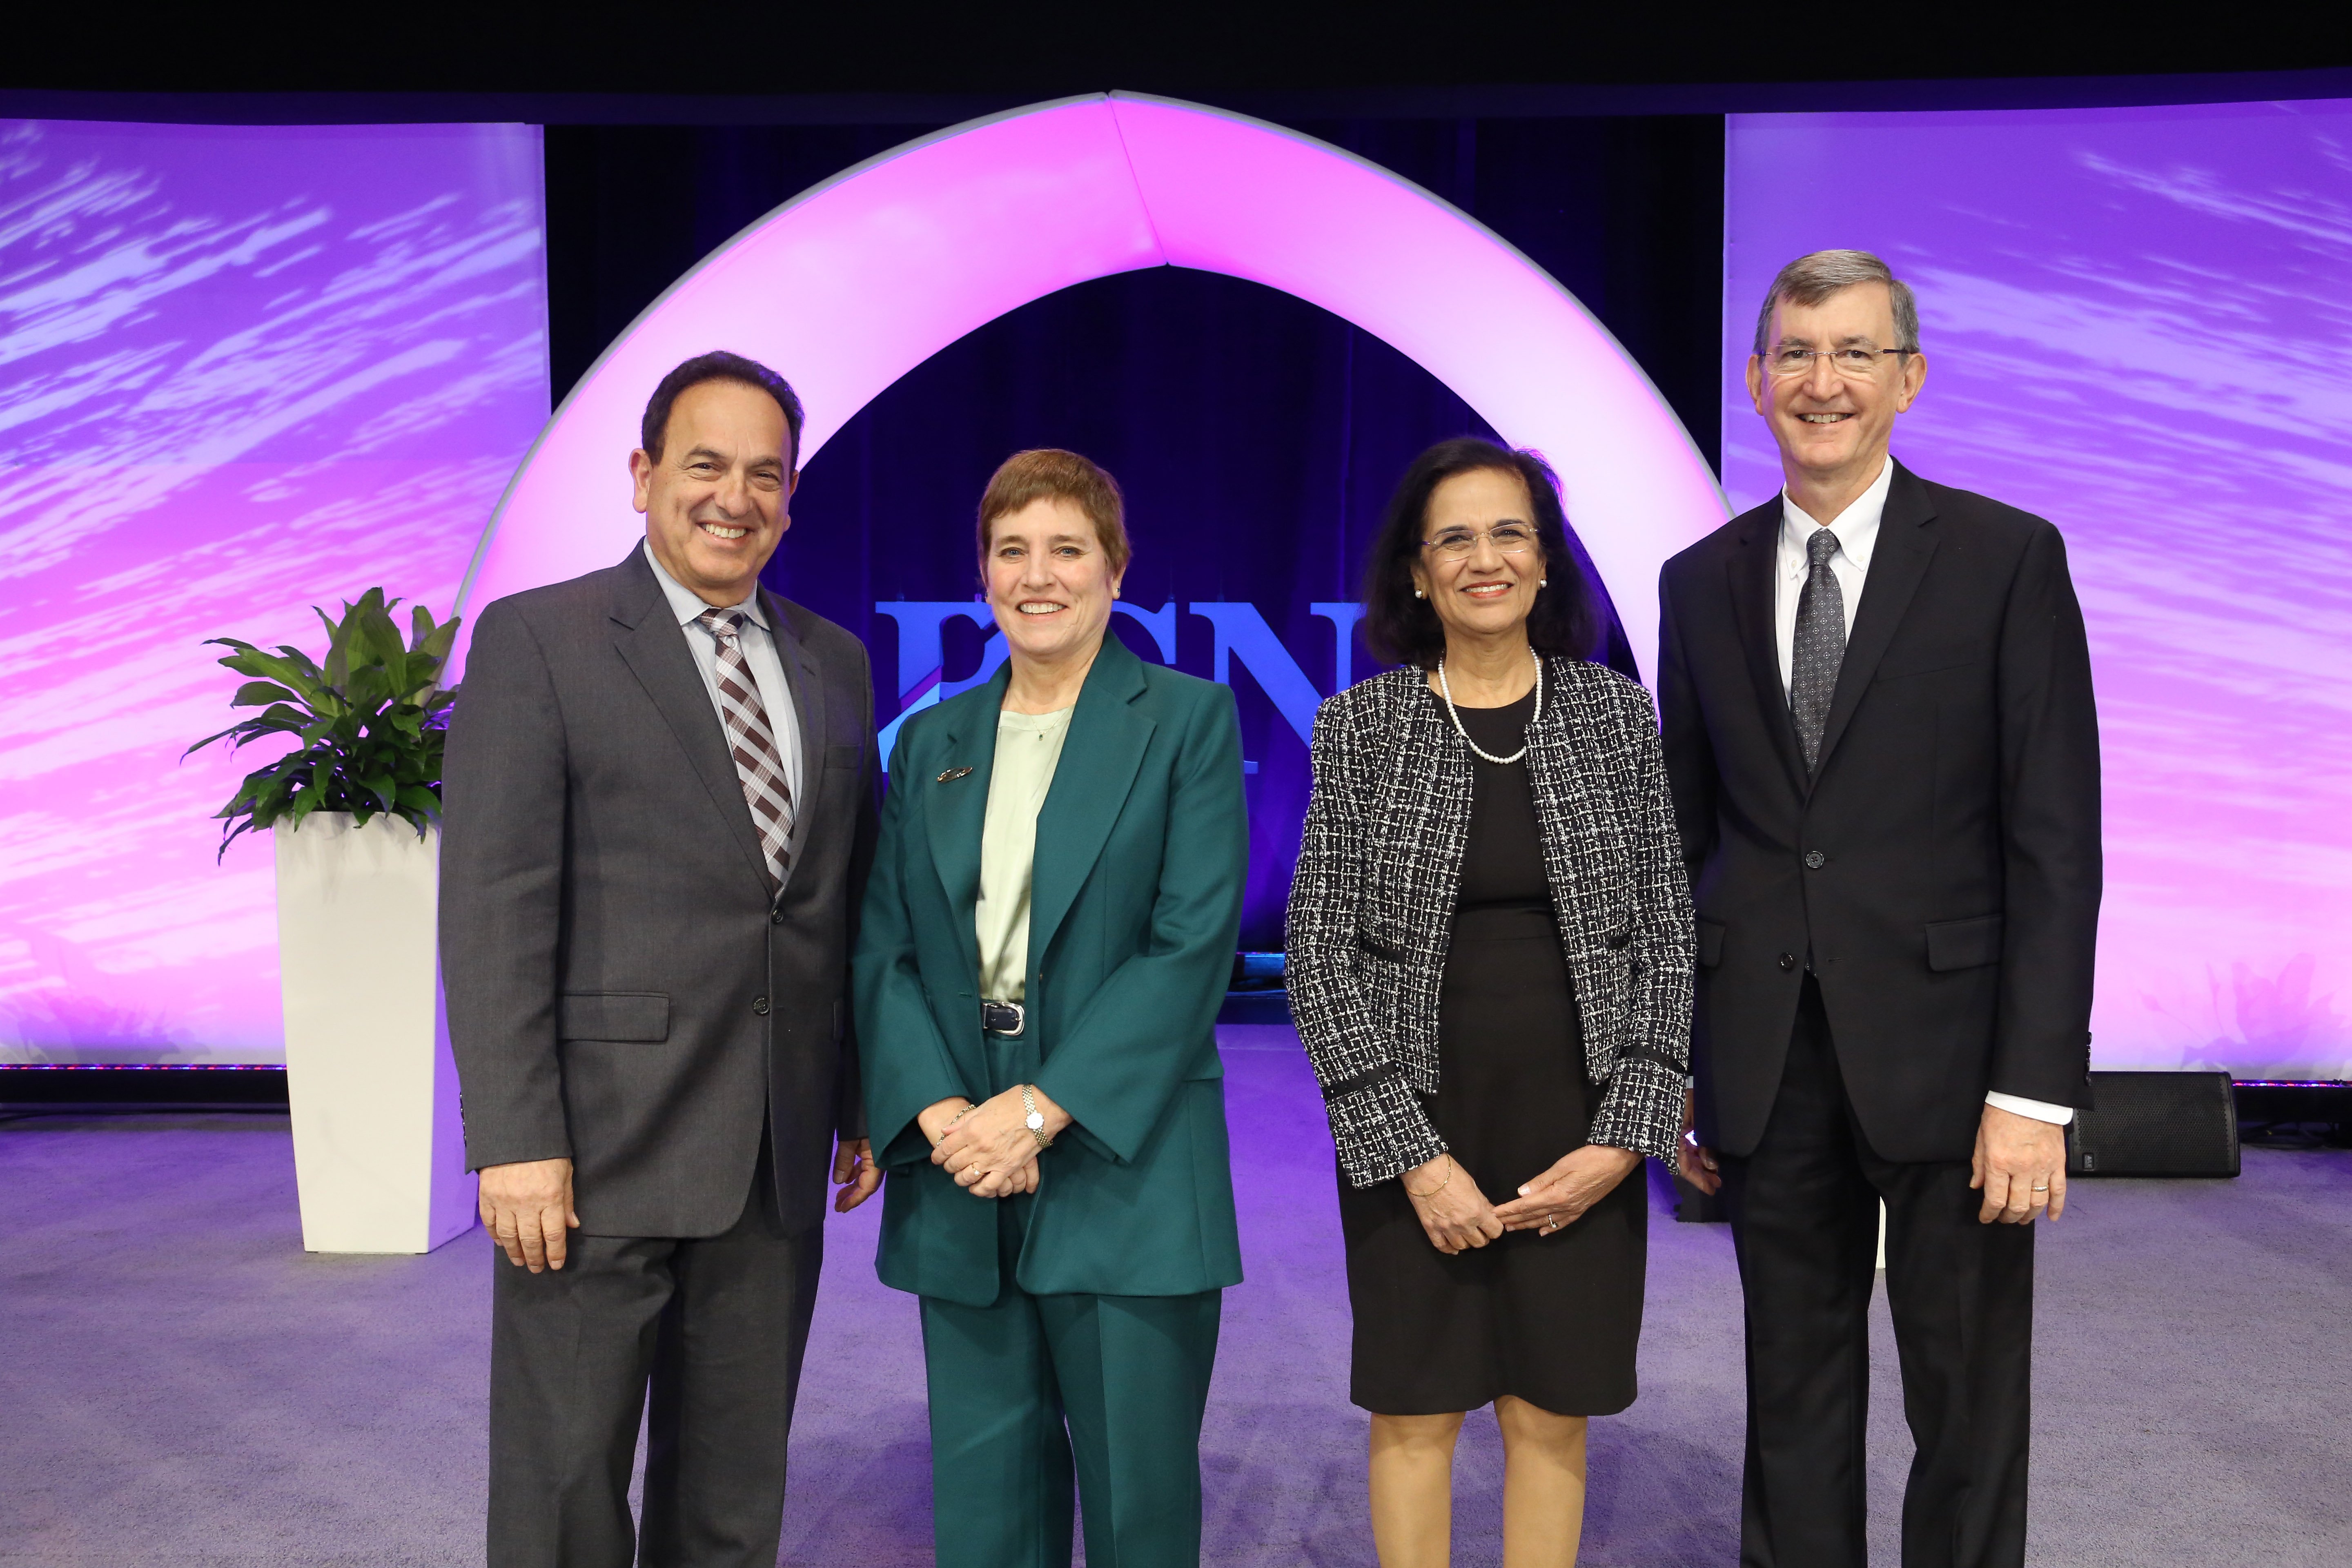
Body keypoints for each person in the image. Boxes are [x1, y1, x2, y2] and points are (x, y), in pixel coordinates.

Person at [1661, 250, 2100, 1568]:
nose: (1824, 382)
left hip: (1960, 1063)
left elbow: (2055, 844)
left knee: (1966, 1409)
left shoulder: (2006, 559)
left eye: (1855, 354)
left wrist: (2034, 1092)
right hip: (1766, 1051)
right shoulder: (1701, 579)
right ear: (1754, 382)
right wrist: (1682, 1058)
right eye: (1796, 353)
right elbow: (1688, 839)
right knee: (1791, 1400)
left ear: (1909, 379)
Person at [441, 350, 883, 1567]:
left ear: (790, 499)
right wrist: (515, 1135)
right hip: (594, 1150)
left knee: (734, 1498)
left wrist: (852, 1099)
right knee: (567, 1484)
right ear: (642, 476)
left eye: (765, 475)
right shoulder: (542, 639)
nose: (733, 498)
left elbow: (836, 901)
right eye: (704, 465)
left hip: (773, 1153)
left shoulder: (832, 661)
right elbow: (494, 905)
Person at [1286, 437, 1695, 1568]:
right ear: (1417, 574)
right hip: (1416, 1119)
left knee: (1548, 1408)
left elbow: (1668, 932)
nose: (1485, 559)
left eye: (1510, 532)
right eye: (1454, 539)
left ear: (1547, 562)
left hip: (1580, 1117)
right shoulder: (1360, 729)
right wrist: (1414, 1158)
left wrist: (1626, 1140)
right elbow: (1318, 954)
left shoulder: (1615, 717)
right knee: (1416, 1408)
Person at [853, 448, 1247, 1568]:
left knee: (1139, 1511)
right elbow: (884, 950)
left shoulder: (1185, 718)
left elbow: (1188, 948)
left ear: (1116, 570)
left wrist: (1037, 1112)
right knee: (985, 1515)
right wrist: (941, 1117)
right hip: (959, 1167)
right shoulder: (932, 741)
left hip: (1123, 1161)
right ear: (982, 574)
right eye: (1012, 551)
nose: (1039, 575)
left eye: (1067, 549)